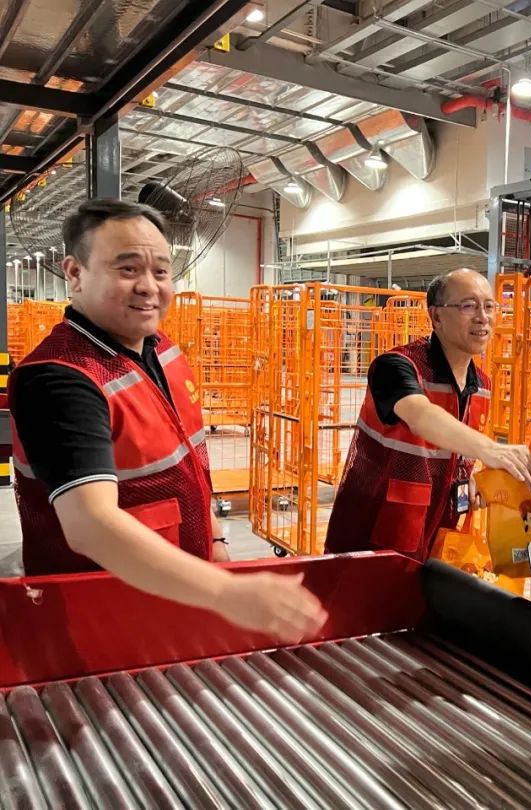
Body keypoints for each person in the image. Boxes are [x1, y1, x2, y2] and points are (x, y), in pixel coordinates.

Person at [9, 199, 327, 644]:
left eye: (160, 271)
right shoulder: (59, 378)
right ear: (75, 273)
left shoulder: (162, 349)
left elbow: (190, 462)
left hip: (175, 598)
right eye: (127, 269)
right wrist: (226, 592)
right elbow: (90, 525)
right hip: (99, 617)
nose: (148, 286)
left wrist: (215, 540)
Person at [324, 269, 531, 560]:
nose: (483, 317)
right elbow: (420, 415)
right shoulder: (397, 367)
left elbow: (453, 453)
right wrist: (490, 449)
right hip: (370, 543)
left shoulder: (482, 386)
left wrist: (469, 478)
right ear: (436, 316)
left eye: (489, 306)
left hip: (437, 542)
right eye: (468, 306)